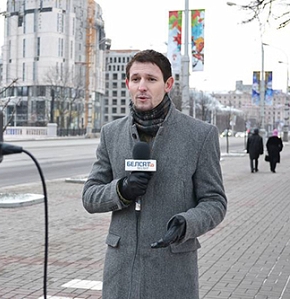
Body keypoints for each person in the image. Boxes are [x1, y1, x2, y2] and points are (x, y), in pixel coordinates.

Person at [82, 49, 227, 299]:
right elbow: (90, 196)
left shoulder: (200, 135)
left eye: (151, 79)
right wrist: (121, 189)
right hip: (121, 272)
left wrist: (186, 223)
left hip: (172, 271)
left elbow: (215, 202)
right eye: (136, 79)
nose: (142, 87)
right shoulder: (111, 133)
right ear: (127, 84)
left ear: (168, 84)